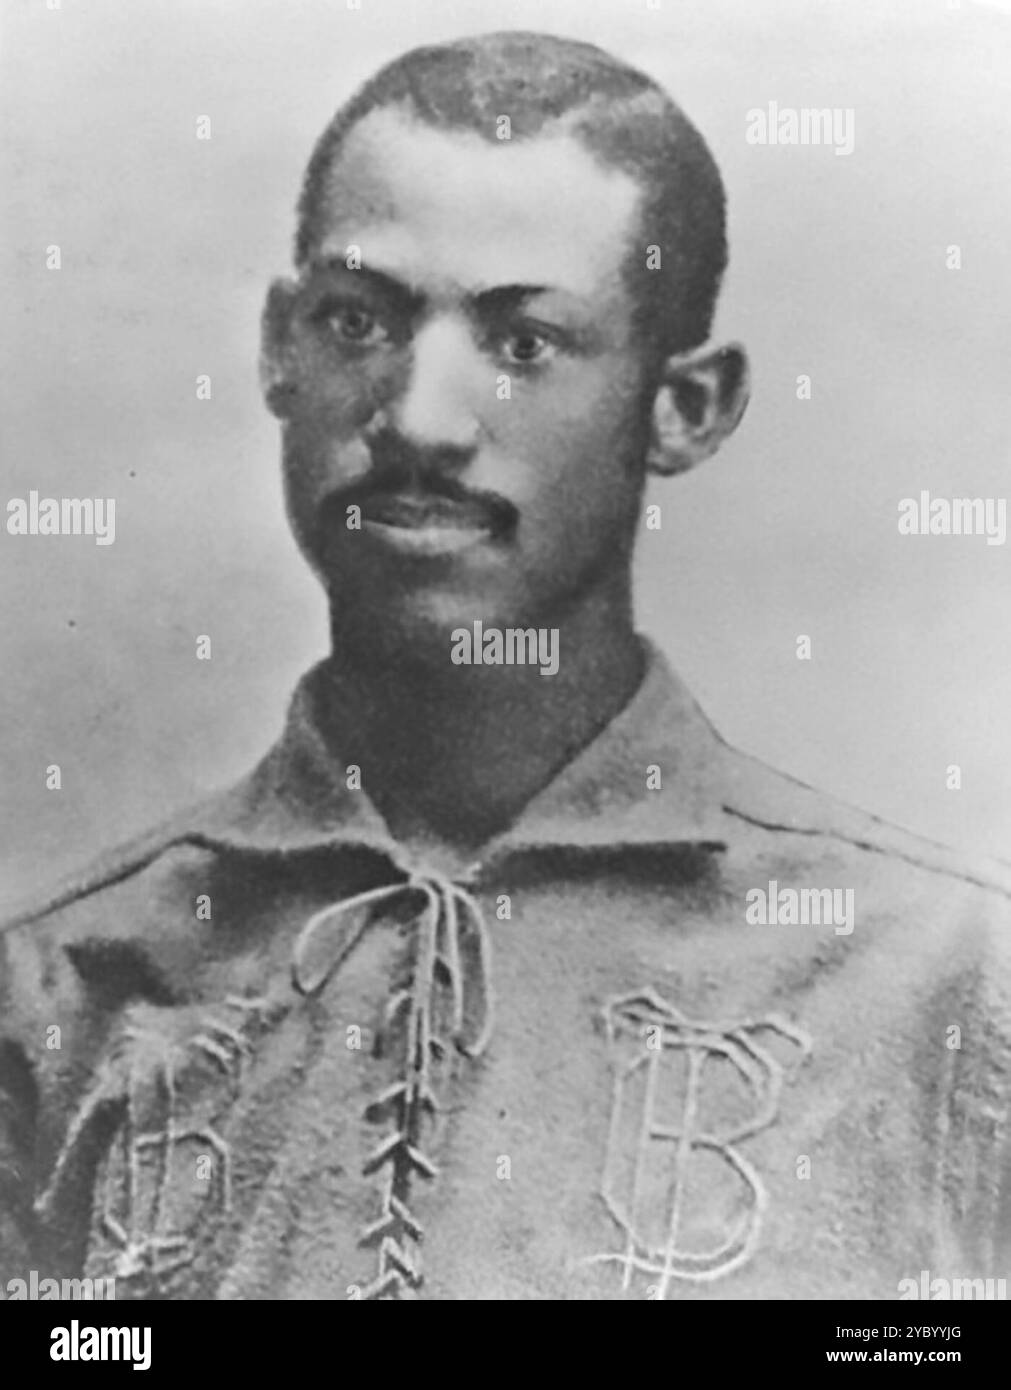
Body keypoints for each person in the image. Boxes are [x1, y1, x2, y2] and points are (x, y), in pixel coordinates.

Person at [2, 31, 1008, 1302]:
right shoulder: (59, 993)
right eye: (358, 321)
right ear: (277, 347)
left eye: (524, 344)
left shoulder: (943, 980)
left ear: (684, 405)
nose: (420, 418)